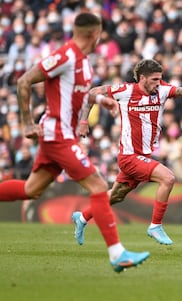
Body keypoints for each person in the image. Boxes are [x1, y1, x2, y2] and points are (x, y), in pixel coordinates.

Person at [0, 13, 149, 273]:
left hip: (61, 134)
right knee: (99, 186)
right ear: (95, 33)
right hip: (57, 133)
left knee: (32, 189)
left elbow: (79, 96)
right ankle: (117, 253)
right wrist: (26, 123)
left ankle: (117, 253)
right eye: (101, 32)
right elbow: (24, 81)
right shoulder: (65, 56)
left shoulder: (85, 63)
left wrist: (103, 101)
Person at [72, 59, 182, 246]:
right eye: (154, 80)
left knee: (117, 195)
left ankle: (82, 218)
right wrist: (84, 121)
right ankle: (155, 226)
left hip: (143, 157)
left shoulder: (162, 91)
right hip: (129, 156)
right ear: (142, 78)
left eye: (160, 79)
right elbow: (93, 93)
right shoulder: (125, 91)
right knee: (168, 178)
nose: (158, 83)